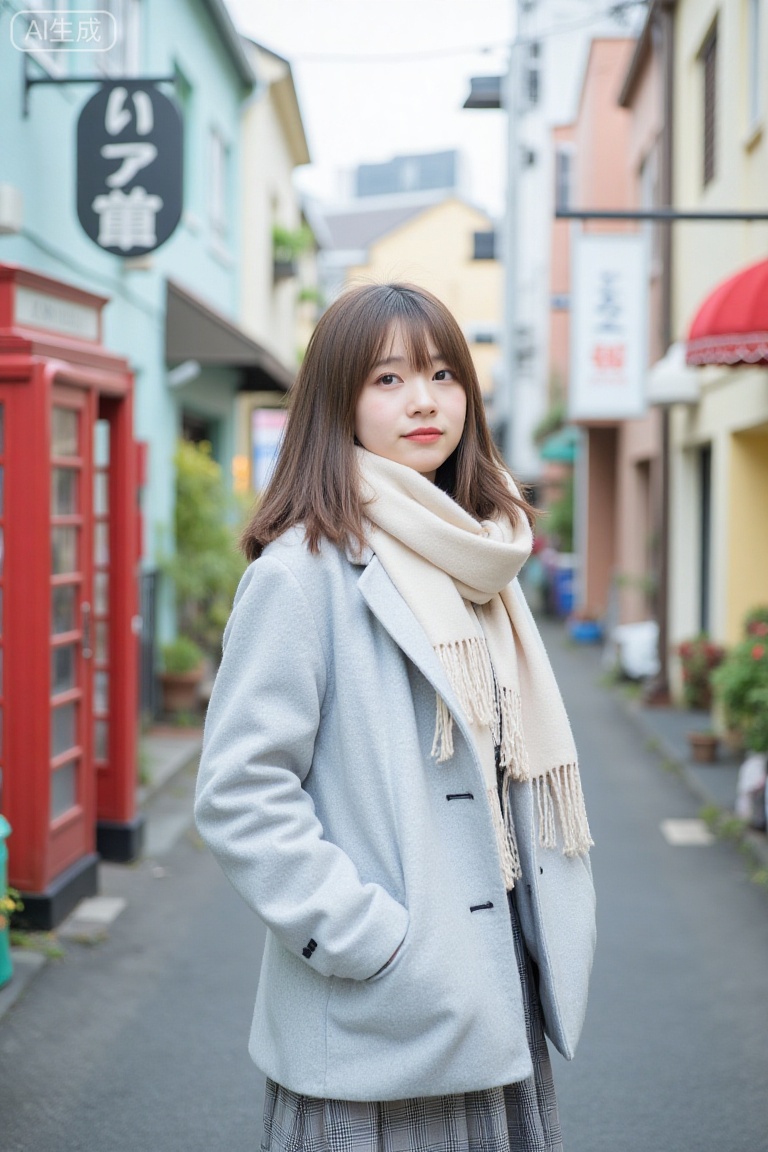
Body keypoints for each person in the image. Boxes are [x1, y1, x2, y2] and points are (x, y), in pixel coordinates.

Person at [194, 282, 596, 1152]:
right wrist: (370, 942)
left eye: (444, 373)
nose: (425, 399)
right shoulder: (302, 574)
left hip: (496, 999)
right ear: (335, 402)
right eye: (388, 378)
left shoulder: (481, 564)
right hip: (388, 1008)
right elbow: (238, 793)